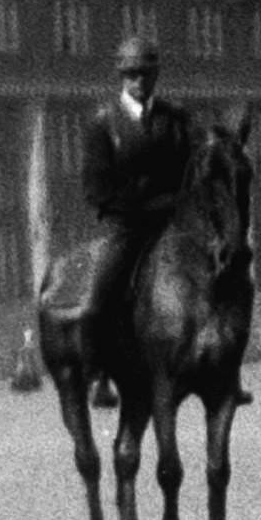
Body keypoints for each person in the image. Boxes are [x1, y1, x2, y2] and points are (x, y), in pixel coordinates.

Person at [70, 32, 191, 356]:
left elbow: (189, 169)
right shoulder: (102, 122)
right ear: (121, 77)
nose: (139, 80)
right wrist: (137, 208)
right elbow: (95, 188)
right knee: (100, 292)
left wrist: (183, 200)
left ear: (156, 75)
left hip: (172, 222)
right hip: (125, 227)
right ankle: (100, 369)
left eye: (146, 73)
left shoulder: (175, 119)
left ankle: (222, 366)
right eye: (131, 74)